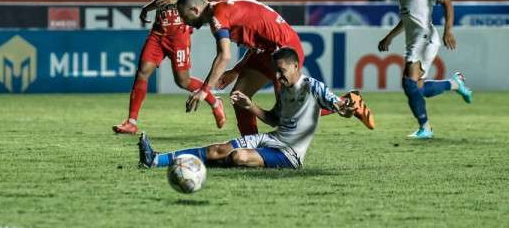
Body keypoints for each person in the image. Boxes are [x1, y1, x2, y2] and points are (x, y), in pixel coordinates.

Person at [175, 0, 375, 135]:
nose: (185, 22)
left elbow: (223, 55)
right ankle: (250, 146)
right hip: (267, 52)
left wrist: (204, 90)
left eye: (185, 17)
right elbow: (256, 43)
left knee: (287, 116)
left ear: (195, 9)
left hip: (285, 50)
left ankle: (345, 102)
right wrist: (236, 71)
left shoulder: (217, 17)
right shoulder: (222, 10)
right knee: (239, 97)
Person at [138, 47, 368, 169]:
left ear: (296, 66)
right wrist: (250, 105)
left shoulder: (313, 87)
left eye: (281, 71)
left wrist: (348, 107)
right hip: (271, 138)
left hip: (288, 155)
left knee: (237, 157)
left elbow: (341, 107)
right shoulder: (286, 89)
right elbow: (274, 120)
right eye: (275, 71)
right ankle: (156, 159)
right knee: (216, 150)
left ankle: (208, 166)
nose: (277, 76)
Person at [112, 0, 226, 134]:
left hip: (179, 34)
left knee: (182, 81)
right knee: (142, 71)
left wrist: (178, 2)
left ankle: (214, 100)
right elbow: (162, 0)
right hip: (158, 32)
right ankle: (131, 122)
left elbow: (203, 0)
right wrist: (147, 8)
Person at [378, 0, 473, 139]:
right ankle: (454, 84)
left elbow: (447, 3)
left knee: (408, 83)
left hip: (425, 38)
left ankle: (426, 128)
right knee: (417, 87)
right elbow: (407, 18)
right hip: (414, 40)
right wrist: (389, 36)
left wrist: (448, 30)